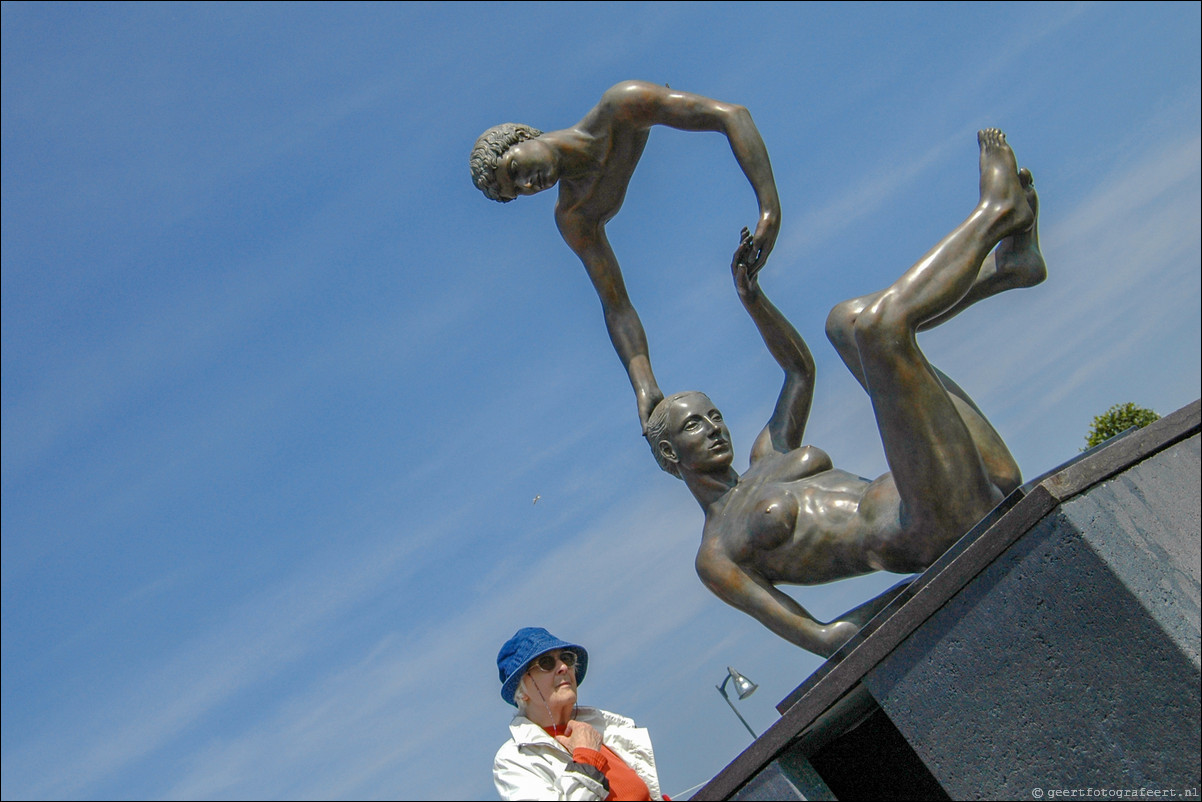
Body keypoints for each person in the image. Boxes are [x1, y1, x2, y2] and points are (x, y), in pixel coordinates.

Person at [644, 129, 1046, 657]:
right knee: (881, 330)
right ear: (670, 453)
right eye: (695, 423)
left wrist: (752, 298)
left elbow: (798, 371)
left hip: (974, 481)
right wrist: (922, 592)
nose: (715, 425)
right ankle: (996, 215)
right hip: (932, 530)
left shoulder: (771, 453)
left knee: (846, 321)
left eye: (714, 414)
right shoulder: (717, 555)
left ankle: (1008, 271)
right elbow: (823, 636)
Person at [470, 80, 781, 429]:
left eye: (515, 169)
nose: (529, 185)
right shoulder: (575, 215)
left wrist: (768, 209)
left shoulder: (620, 106)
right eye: (519, 191)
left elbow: (732, 115)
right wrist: (643, 383)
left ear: (524, 136)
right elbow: (615, 304)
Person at [494, 627, 666, 801]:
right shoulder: (514, 759)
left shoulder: (599, 728)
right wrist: (587, 758)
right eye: (546, 663)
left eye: (566, 658)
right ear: (522, 691)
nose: (563, 667)